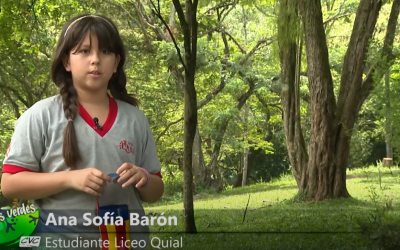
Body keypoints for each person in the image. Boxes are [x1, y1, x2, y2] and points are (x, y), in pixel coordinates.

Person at [1, 14, 164, 249]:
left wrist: (144, 178)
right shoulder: (40, 116)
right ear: (67, 61)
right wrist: (70, 178)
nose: (96, 60)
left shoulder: (135, 120)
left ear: (116, 63)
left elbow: (155, 191)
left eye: (106, 52)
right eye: (84, 51)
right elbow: (10, 184)